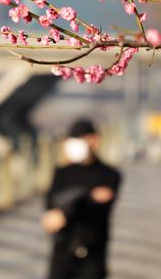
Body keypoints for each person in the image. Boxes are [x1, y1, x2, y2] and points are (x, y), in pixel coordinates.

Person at [42, 119, 122, 279]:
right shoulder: (62, 172)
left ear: (94, 140)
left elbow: (100, 207)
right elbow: (51, 202)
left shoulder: (109, 174)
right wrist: (89, 194)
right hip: (63, 251)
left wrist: (66, 209)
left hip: (92, 252)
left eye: (80, 139)